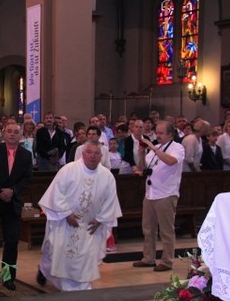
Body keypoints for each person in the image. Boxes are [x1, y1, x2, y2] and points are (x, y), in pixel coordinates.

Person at [36, 140, 122, 291]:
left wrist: (100, 220)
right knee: (59, 253)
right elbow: (56, 192)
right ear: (83, 153)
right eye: (89, 152)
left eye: (96, 153)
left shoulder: (107, 176)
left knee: (86, 256)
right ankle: (49, 273)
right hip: (66, 221)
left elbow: (111, 200)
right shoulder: (69, 169)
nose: (93, 156)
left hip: (90, 225)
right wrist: (66, 213)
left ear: (101, 156)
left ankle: (82, 285)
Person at [0, 122, 33, 290]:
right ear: (4, 134)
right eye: (9, 131)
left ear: (20, 136)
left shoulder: (26, 155)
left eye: (15, 132)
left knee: (12, 241)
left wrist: (12, 191)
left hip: (13, 202)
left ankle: (8, 277)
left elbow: (27, 178)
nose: (12, 134)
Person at [133, 121, 185, 272]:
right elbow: (142, 169)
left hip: (166, 194)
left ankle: (167, 261)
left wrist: (154, 148)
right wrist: (142, 154)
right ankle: (148, 258)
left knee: (166, 230)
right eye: (157, 132)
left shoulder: (177, 147)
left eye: (161, 133)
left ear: (170, 134)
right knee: (148, 229)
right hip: (150, 193)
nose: (158, 135)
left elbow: (171, 161)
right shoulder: (156, 148)